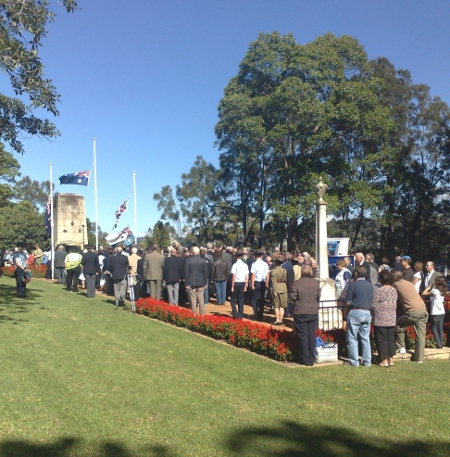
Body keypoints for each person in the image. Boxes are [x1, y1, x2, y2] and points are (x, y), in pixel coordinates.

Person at [393, 271, 429, 363]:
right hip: (423, 310)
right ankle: (419, 358)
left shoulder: (396, 284)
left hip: (412, 311)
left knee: (399, 326)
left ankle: (401, 347)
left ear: (395, 278)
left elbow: (392, 295)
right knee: (420, 335)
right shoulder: (409, 283)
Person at [289, 264, 321, 366]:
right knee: (311, 335)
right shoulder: (316, 283)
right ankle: (311, 359)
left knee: (303, 336)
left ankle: (305, 359)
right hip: (313, 312)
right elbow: (319, 296)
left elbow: (293, 296)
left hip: (300, 311)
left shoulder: (297, 283)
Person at [343, 265, 373, 367]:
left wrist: (345, 313)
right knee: (365, 338)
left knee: (352, 338)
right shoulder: (370, 285)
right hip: (367, 312)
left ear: (356, 273)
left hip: (355, 312)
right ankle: (367, 361)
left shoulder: (353, 285)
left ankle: (354, 361)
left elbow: (347, 302)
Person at [371, 270, 397, 367]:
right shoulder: (394, 290)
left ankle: (383, 360)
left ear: (381, 279)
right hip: (391, 318)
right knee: (390, 338)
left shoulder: (379, 290)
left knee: (381, 339)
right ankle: (391, 359)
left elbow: (373, 304)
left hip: (380, 318)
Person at [422, 276, 446, 349]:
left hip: (435, 312)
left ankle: (438, 344)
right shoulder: (443, 290)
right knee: (440, 328)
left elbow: (423, 293)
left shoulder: (435, 291)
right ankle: (441, 343)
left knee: (434, 328)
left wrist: (429, 287)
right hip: (442, 311)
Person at [184, 246, 208, 316]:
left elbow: (186, 272)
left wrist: (186, 283)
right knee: (201, 299)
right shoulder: (203, 260)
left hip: (191, 281)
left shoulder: (188, 260)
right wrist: (205, 282)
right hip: (201, 282)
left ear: (193, 252)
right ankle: (202, 314)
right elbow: (205, 272)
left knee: (193, 299)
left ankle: (194, 314)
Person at [250, 249, 270, 321]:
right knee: (261, 299)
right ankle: (260, 315)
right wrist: (267, 283)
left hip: (256, 282)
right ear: (261, 256)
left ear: (255, 256)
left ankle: (256, 313)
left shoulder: (254, 264)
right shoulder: (265, 264)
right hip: (263, 282)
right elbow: (267, 274)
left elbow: (253, 275)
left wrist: (252, 285)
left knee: (254, 299)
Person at [230, 250, 249, 319]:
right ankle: (240, 315)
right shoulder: (245, 265)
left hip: (236, 282)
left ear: (236, 257)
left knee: (233, 300)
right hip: (242, 282)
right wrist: (246, 285)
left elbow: (233, 276)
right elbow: (247, 276)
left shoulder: (235, 265)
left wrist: (232, 286)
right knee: (241, 299)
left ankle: (235, 314)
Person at [271, 254, 288, 325]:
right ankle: (281, 320)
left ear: (275, 263)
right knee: (282, 306)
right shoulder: (284, 270)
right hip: (284, 288)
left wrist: (274, 290)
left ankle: (277, 319)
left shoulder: (273, 271)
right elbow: (286, 280)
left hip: (277, 288)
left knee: (276, 305)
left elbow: (273, 282)